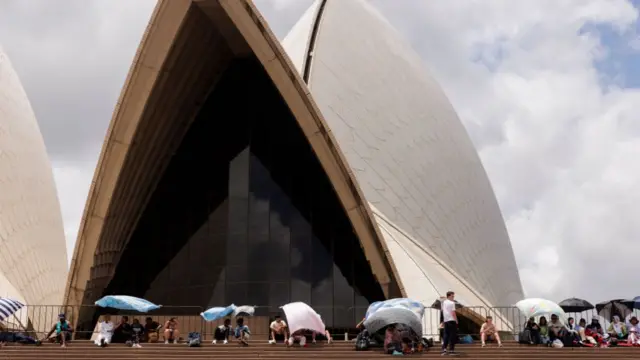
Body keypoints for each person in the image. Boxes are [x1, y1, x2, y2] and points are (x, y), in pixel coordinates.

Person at [440, 291, 458, 356]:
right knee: (452, 336)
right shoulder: (452, 303)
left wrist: (443, 321)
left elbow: (442, 311)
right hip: (452, 320)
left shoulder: (444, 302)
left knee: (446, 335)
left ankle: (444, 349)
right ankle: (451, 350)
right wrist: (456, 320)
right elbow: (453, 313)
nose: (453, 297)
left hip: (446, 321)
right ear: (449, 296)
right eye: (452, 296)